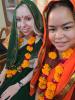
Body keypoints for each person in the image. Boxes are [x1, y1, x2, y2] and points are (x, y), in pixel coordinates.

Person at [30, 0, 75, 100]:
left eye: (67, 27)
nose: (58, 36)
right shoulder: (47, 54)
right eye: (52, 29)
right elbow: (39, 88)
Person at [0, 0, 43, 99]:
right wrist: (2, 73)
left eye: (28, 18)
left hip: (28, 80)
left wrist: (18, 85)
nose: (22, 25)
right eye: (18, 19)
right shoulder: (16, 37)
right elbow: (10, 57)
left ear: (35, 18)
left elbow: (37, 68)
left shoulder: (41, 41)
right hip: (11, 74)